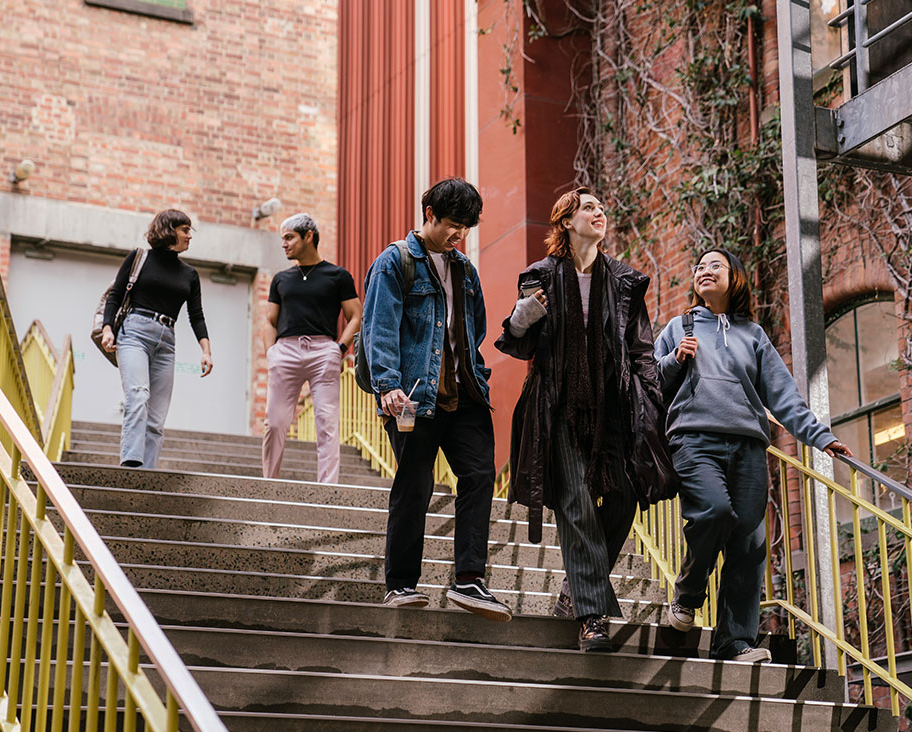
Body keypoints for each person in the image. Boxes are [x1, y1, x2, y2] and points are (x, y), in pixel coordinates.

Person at [495, 187, 672, 652]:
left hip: (614, 408)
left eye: (602, 209)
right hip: (559, 408)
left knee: (622, 501)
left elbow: (641, 350)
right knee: (576, 503)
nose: (600, 214)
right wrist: (522, 317)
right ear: (566, 221)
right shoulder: (540, 276)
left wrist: (652, 403)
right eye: (589, 207)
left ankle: (574, 592)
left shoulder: (626, 281)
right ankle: (592, 619)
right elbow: (518, 344)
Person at [653, 248, 852, 663]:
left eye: (715, 266)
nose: (703, 271)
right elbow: (648, 381)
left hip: (747, 446)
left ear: (735, 278)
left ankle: (735, 642)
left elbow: (783, 396)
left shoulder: (753, 335)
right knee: (713, 511)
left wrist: (819, 437)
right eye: (699, 267)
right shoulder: (678, 327)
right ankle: (688, 596)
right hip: (694, 439)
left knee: (749, 543)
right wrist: (674, 360)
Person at [360, 177, 511, 622]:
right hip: (412, 396)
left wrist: (477, 374)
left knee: (481, 475)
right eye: (452, 225)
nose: (459, 235)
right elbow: (378, 327)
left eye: (466, 227)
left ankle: (469, 579)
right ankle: (401, 585)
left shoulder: (465, 270)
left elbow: (475, 329)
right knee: (415, 485)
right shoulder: (396, 262)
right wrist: (388, 384)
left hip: (463, 393)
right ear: (429, 215)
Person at [101, 209, 213, 469]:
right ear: (169, 230)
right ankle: (130, 464)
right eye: (186, 230)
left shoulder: (190, 274)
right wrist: (108, 328)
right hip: (134, 333)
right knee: (138, 395)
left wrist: (206, 350)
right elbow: (115, 296)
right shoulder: (139, 258)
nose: (189, 236)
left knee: (157, 416)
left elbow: (196, 315)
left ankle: (147, 472)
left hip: (166, 341)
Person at [261, 213, 361, 483]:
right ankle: (270, 482)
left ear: (309, 237)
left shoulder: (338, 276)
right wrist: (271, 353)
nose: (284, 244)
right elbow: (269, 320)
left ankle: (327, 489)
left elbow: (355, 315)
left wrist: (339, 349)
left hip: (323, 352)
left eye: (289, 237)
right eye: (283, 239)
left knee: (326, 423)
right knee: (275, 422)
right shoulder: (281, 279)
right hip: (286, 351)